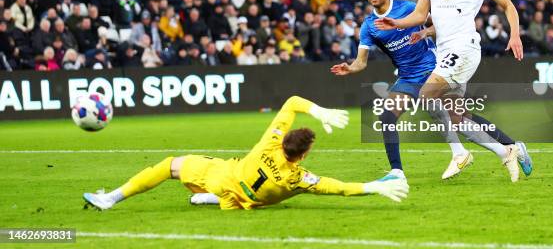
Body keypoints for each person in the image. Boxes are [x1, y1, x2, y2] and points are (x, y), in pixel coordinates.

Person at [372, 0, 533, 182]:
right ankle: (509, 149)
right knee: (457, 117)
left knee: (426, 94)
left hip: (465, 48)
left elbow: (508, 6)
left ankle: (461, 153)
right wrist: (397, 23)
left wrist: (515, 35)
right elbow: (419, 15)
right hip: (445, 52)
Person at [83, 96, 408, 210]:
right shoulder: (296, 178)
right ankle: (211, 199)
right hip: (245, 202)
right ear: (303, 155)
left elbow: (293, 102)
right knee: (265, 195)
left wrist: (319, 111)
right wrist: (373, 186)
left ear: (282, 143)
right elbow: (335, 188)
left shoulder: (270, 142)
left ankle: (110, 198)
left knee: (171, 165)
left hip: (223, 178)